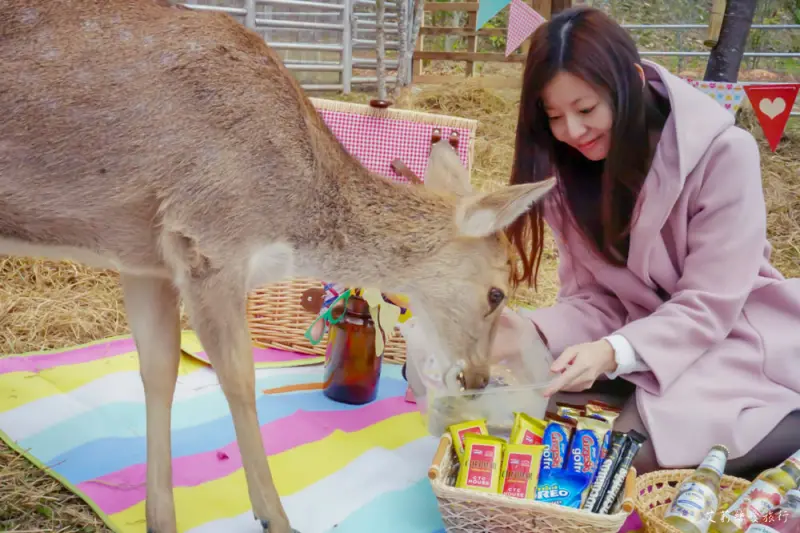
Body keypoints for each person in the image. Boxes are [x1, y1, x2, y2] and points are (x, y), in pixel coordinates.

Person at [492, 6, 800, 477]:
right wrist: (532, 332)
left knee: (618, 454)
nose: (572, 132)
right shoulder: (567, 173)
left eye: (587, 109)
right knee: (517, 410)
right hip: (643, 340)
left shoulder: (722, 154)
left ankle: (786, 425)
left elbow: (709, 305)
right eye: (554, 116)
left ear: (631, 81)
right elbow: (595, 298)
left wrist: (613, 351)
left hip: (734, 336)